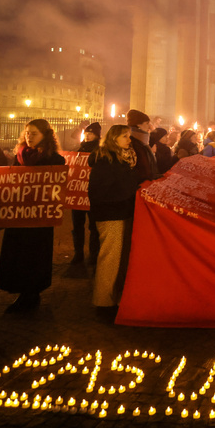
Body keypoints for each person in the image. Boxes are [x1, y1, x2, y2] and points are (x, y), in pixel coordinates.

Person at [0, 119, 65, 314]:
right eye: (27, 133)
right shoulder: (20, 156)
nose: (29, 137)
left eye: (34, 133)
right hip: (19, 215)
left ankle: (31, 293)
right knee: (17, 254)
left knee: (35, 255)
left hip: (39, 218)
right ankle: (21, 291)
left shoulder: (54, 160)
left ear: (45, 136)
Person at [87, 125, 144, 315]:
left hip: (122, 212)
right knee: (110, 259)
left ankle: (114, 297)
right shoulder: (106, 160)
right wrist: (131, 188)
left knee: (118, 259)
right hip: (110, 215)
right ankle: (103, 302)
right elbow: (99, 191)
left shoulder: (122, 158)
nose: (129, 140)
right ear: (113, 139)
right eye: (125, 137)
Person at [68, 122, 101, 273]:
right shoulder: (79, 149)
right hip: (77, 194)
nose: (88, 136)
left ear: (97, 135)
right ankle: (78, 253)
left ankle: (93, 255)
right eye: (87, 133)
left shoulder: (100, 151)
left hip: (92, 194)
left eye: (91, 133)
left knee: (93, 227)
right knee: (77, 226)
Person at [126, 109, 160, 182]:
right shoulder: (133, 143)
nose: (150, 126)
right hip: (139, 185)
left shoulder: (142, 142)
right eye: (147, 123)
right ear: (138, 124)